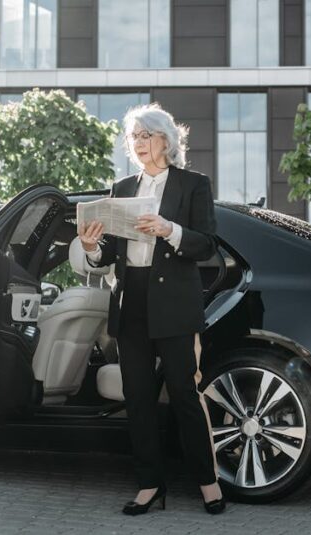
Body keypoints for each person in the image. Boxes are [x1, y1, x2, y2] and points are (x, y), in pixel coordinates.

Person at [77, 103, 225, 515]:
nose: (138, 144)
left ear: (166, 140)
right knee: (137, 398)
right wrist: (92, 247)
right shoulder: (122, 187)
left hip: (174, 302)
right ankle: (150, 486)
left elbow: (207, 245)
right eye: (133, 137)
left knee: (184, 394)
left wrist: (169, 230)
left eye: (145, 135)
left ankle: (207, 482)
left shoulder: (193, 184)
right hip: (131, 301)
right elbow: (108, 252)